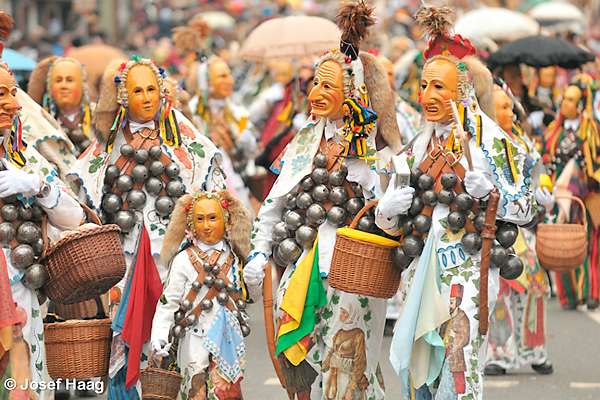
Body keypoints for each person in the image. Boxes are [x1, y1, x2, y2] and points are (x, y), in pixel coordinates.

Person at [376, 6, 538, 399]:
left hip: (467, 268)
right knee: (418, 375)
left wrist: (490, 195)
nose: (428, 96)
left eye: (440, 87)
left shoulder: (491, 142)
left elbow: (526, 209)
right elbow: (395, 222)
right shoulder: (416, 146)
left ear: (462, 92)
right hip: (420, 272)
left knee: (458, 365)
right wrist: (386, 211)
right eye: (424, 86)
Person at [243, 3, 402, 399]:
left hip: (355, 277)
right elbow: (275, 203)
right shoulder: (305, 140)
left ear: (352, 94)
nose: (315, 93)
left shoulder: (378, 151)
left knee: (347, 373)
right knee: (302, 373)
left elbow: (394, 222)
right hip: (303, 267)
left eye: (327, 87)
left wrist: (376, 189)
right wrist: (259, 252)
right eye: (315, 83)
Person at [66, 56, 225, 397]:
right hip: (124, 255)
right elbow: (83, 184)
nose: (147, 97)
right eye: (137, 91)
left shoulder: (179, 130)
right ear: (123, 97)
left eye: (151, 89)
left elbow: (211, 180)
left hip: (175, 255)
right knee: (128, 339)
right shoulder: (110, 138)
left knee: (179, 334)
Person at [0, 61, 85, 400]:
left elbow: (74, 217)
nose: (13, 103)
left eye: (13, 93)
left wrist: (38, 186)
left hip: (24, 297)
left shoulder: (26, 157)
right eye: (1, 94)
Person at [151, 190, 254, 399]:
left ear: (226, 220)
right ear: (191, 223)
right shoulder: (182, 260)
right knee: (194, 392)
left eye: (212, 218)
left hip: (228, 341)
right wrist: (159, 335)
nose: (206, 226)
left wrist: (255, 280)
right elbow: (168, 302)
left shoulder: (236, 258)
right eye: (200, 219)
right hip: (193, 340)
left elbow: (250, 297)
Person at [484, 84, 554, 376]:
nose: (511, 113)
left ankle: (535, 350)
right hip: (493, 227)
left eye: (511, 107)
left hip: (523, 228)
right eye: (504, 107)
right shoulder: (481, 141)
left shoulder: (520, 140)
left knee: (535, 284)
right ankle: (499, 353)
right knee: (499, 290)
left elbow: (540, 171)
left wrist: (545, 190)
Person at [541, 75, 600, 311]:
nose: (564, 104)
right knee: (562, 245)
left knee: (589, 245)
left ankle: (591, 292)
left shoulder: (593, 130)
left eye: (571, 100)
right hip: (559, 197)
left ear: (581, 105)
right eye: (564, 99)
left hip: (587, 197)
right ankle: (569, 296)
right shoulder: (554, 132)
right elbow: (545, 161)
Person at [188, 56, 258, 214]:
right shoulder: (193, 113)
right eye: (222, 76)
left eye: (229, 75)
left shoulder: (237, 110)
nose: (231, 81)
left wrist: (248, 144)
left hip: (238, 185)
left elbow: (251, 155)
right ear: (207, 82)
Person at [28, 56, 95, 157]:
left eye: (70, 80)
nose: (64, 86)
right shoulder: (40, 122)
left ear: (82, 85)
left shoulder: (97, 117)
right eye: (58, 80)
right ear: (49, 87)